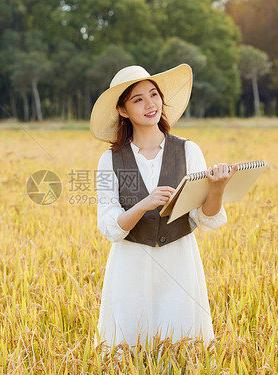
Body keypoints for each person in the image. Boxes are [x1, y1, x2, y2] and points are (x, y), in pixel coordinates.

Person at [90, 64, 237, 349]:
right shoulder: (111, 160)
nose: (150, 104)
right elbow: (110, 225)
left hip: (179, 261)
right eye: (138, 99)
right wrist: (143, 205)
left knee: (181, 349)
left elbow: (205, 218)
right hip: (131, 265)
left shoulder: (187, 151)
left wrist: (216, 189)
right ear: (123, 110)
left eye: (154, 94)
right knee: (129, 349)